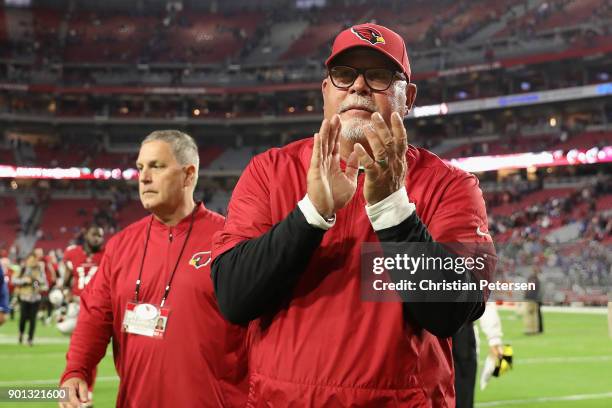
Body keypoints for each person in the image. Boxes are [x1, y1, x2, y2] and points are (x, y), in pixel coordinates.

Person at [212, 23, 494, 406]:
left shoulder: (452, 186)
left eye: (378, 76)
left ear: (407, 97)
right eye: (344, 75)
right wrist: (312, 213)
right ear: (327, 91)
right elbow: (234, 297)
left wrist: (392, 209)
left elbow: (451, 312)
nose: (358, 86)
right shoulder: (269, 171)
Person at [60, 130, 247, 408]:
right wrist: (77, 370)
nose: (144, 177)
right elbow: (94, 316)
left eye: (156, 166)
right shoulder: (121, 245)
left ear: (188, 174)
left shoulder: (230, 240)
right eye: (140, 168)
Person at [59, 224, 106, 407]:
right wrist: (64, 299)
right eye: (95, 234)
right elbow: (67, 280)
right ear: (85, 234)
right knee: (76, 352)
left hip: (95, 307)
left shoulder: (107, 254)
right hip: (76, 306)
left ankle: (85, 391)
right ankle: (75, 391)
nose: (98, 239)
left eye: (100, 236)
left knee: (88, 351)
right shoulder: (73, 253)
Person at [453, 302, 505, 408]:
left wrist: (494, 339)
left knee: (462, 394)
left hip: (460, 333)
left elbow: (484, 299)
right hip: (433, 334)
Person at [12, 253, 48, 345]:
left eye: (34, 260)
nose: (32, 262)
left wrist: (37, 281)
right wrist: (24, 280)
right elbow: (14, 280)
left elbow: (42, 283)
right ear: (27, 260)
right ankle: (21, 333)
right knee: (23, 317)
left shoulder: (39, 269)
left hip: (35, 298)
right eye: (30, 260)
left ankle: (30, 338)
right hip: (24, 297)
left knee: (33, 319)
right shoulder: (23, 269)